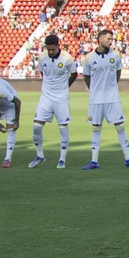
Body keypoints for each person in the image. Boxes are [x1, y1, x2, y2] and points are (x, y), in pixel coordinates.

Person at [81, 28, 129, 170]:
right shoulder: (89, 58)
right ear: (100, 39)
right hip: (96, 99)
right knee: (96, 128)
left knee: (120, 126)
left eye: (111, 39)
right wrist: (95, 90)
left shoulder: (116, 56)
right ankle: (94, 161)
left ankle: (128, 158)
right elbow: (87, 77)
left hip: (112, 98)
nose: (110, 41)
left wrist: (111, 87)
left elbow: (118, 73)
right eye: (108, 39)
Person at [29, 33, 76, 169]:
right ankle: (40, 156)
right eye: (48, 49)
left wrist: (65, 87)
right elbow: (44, 73)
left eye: (53, 49)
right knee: (36, 127)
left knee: (63, 129)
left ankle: (62, 159)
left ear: (58, 46)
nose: (50, 52)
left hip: (61, 98)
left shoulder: (67, 58)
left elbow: (74, 74)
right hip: (46, 97)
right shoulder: (42, 57)